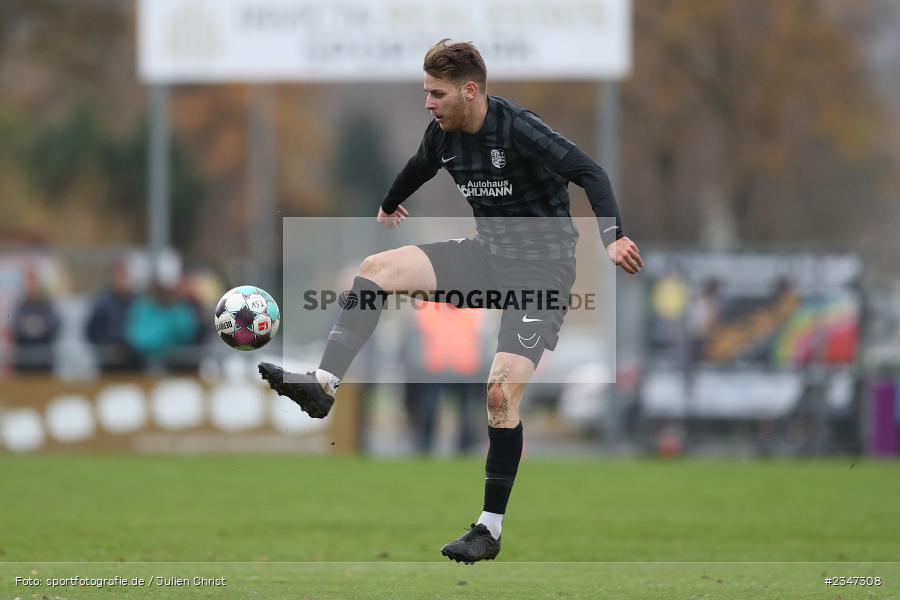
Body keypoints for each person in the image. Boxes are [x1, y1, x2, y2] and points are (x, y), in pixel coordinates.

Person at [259, 39, 642, 564]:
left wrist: (612, 236)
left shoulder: (518, 129)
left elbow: (589, 171)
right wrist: (392, 201)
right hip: (488, 258)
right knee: (376, 270)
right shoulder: (442, 136)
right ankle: (324, 385)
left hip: (542, 273)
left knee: (500, 393)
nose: (428, 102)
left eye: (436, 93)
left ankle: (489, 529)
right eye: (424, 92)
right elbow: (419, 166)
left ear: (470, 90)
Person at [86, 259, 143, 373]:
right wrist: (108, 347)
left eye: (124, 274)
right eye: (118, 275)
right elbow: (92, 331)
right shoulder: (101, 302)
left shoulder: (139, 301)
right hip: (109, 363)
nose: (121, 279)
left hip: (135, 361)